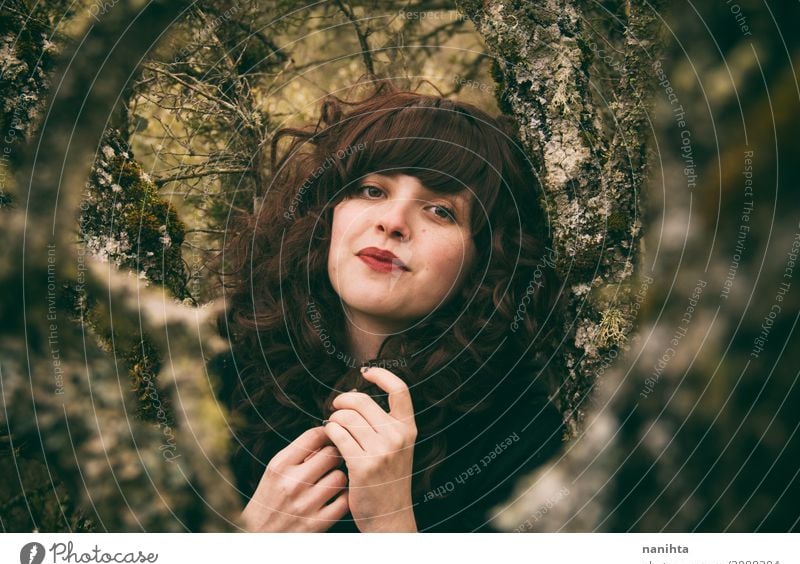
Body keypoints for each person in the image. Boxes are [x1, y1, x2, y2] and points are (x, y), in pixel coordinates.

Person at [211, 78, 566, 532]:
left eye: (440, 210)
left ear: (485, 259)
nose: (392, 222)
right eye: (372, 190)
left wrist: (391, 525)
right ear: (328, 215)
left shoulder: (520, 432)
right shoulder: (218, 366)